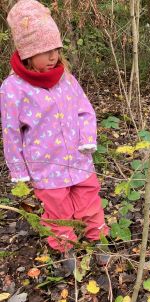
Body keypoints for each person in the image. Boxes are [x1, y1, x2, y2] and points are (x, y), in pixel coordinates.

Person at [1, 0, 109, 269]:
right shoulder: (13, 88)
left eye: (56, 49)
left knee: (89, 199)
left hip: (78, 158)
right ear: (27, 53)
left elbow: (85, 110)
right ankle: (64, 246)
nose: (53, 56)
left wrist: (87, 139)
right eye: (45, 50)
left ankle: (98, 238)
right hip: (46, 165)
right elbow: (11, 131)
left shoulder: (66, 79)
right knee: (57, 210)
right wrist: (19, 168)